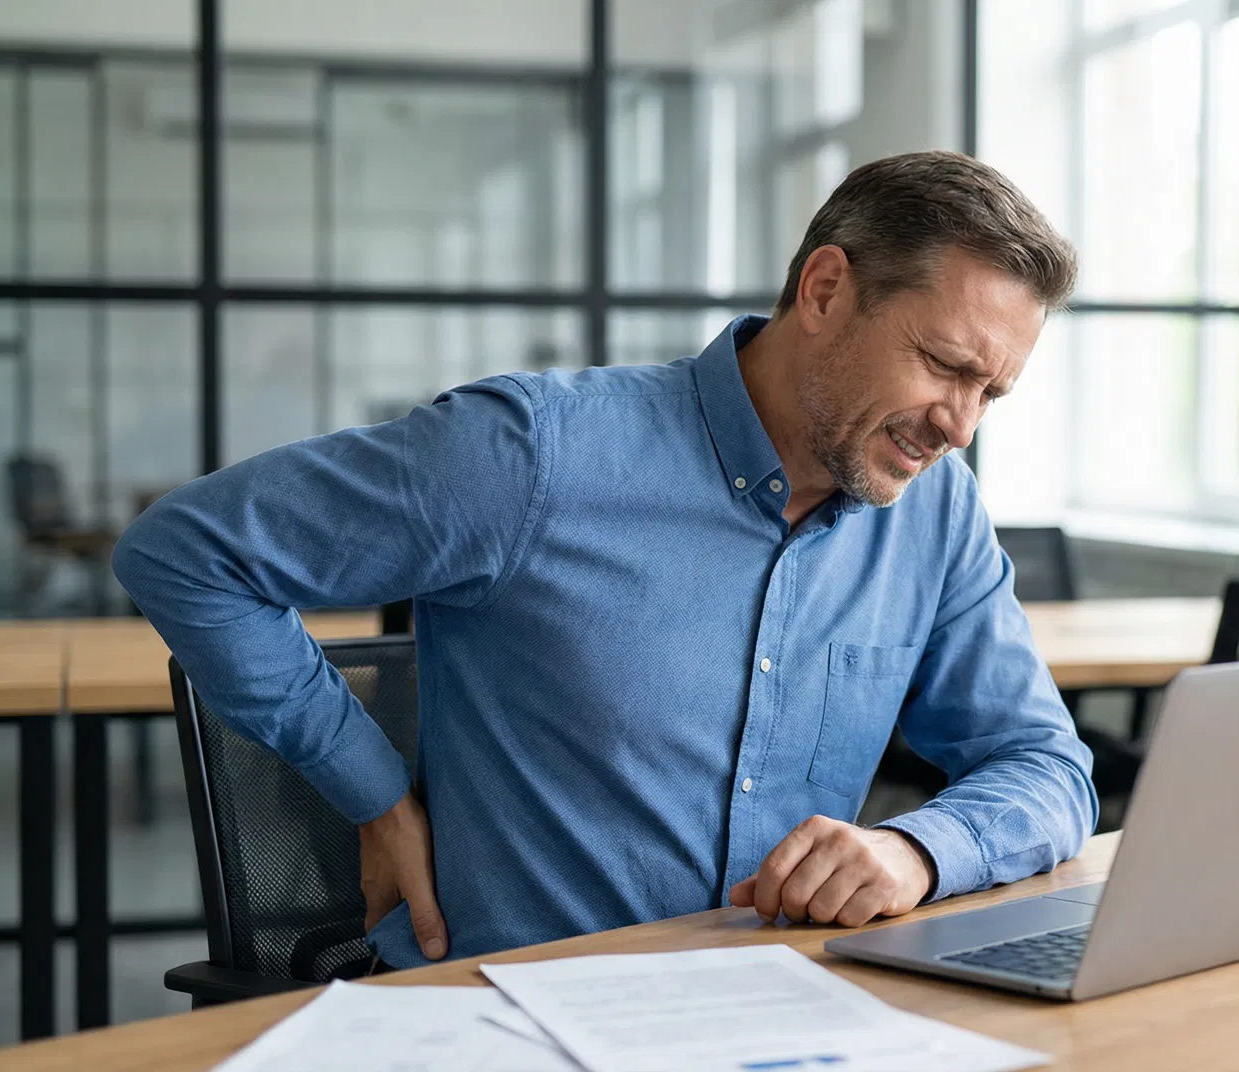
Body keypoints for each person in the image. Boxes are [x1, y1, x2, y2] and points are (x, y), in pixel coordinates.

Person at [114, 150, 1095, 970]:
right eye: (945, 366)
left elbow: (1048, 767)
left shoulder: (935, 515)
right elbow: (189, 553)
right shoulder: (532, 455)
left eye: (990, 394)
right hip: (510, 1014)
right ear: (827, 290)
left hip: (775, 1014)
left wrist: (916, 850)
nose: (960, 426)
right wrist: (375, 793)